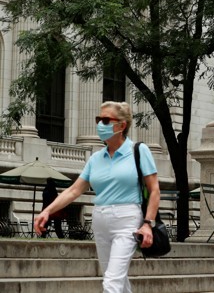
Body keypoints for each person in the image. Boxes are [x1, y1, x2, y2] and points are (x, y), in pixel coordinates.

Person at [34, 101, 160, 293]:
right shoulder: (95, 159)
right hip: (100, 220)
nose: (100, 124)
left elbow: (154, 190)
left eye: (106, 120)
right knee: (117, 279)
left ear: (121, 125)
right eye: (98, 119)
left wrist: (148, 224)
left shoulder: (138, 151)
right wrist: (47, 211)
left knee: (111, 282)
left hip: (127, 219)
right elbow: (73, 190)